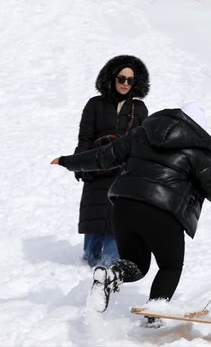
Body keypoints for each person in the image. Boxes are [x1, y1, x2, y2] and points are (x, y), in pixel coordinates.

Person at [51, 101, 211, 327]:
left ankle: (111, 275)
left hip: (123, 206)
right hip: (161, 212)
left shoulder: (141, 135)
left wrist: (67, 161)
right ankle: (153, 315)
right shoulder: (197, 152)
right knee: (170, 266)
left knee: (135, 264)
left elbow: (103, 156)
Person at [74, 55, 150, 268]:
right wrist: (82, 164)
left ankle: (108, 266)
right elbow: (85, 137)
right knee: (95, 216)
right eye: (121, 78)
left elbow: (145, 143)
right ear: (111, 78)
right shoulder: (94, 104)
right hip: (97, 169)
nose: (125, 84)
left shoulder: (140, 109)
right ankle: (88, 262)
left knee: (118, 220)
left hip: (124, 173)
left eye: (130, 80)